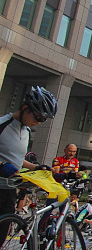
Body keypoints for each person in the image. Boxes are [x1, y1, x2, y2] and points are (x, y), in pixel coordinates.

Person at [0, 87, 57, 237]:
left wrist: (37, 167)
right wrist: (1, 166)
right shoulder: (3, 125)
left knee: (2, 234)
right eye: (38, 117)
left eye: (43, 119)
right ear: (25, 108)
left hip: (9, 189)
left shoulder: (26, 130)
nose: (39, 122)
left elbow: (17, 159)